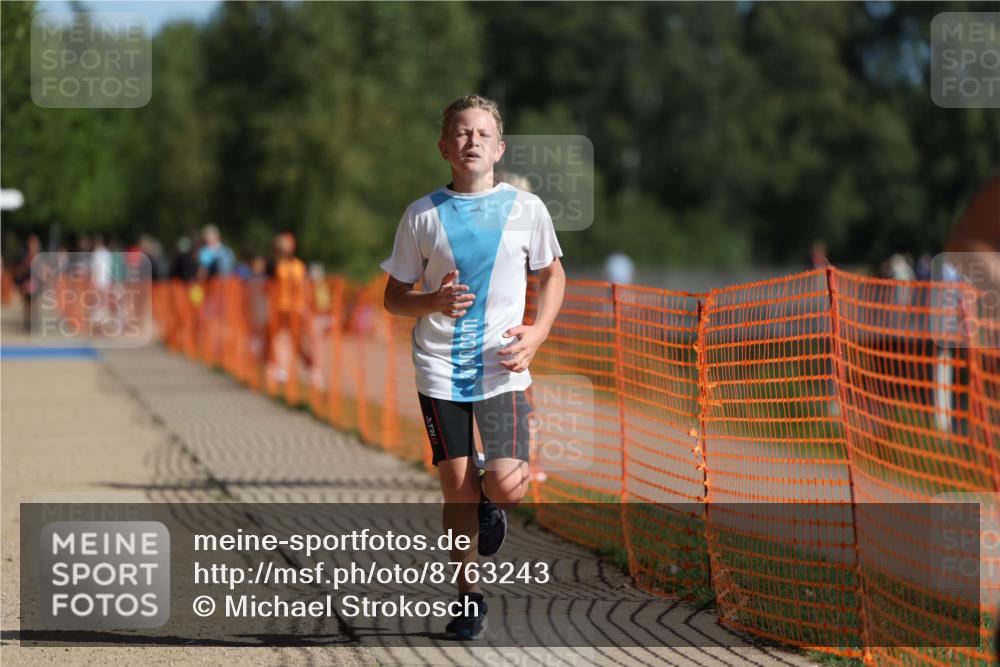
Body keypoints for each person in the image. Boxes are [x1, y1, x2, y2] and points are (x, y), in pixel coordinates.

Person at [380, 94, 566, 640]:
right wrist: (430, 303)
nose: (472, 142)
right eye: (461, 133)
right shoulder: (422, 214)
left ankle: (492, 503)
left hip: (503, 368)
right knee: (456, 488)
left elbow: (553, 276)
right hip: (439, 367)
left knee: (508, 486)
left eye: (482, 134)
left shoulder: (526, 209)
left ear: (499, 148)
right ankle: (468, 598)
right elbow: (393, 297)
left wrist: (537, 333)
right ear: (444, 146)